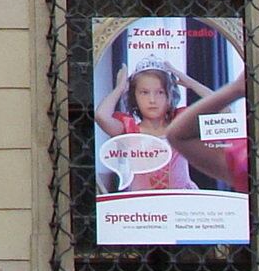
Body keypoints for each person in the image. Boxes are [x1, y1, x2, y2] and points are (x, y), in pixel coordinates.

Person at [96, 59, 248, 192]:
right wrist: (120, 89)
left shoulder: (181, 127)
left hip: (181, 201)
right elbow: (101, 116)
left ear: (170, 95)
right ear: (134, 96)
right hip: (144, 208)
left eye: (160, 92)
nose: (152, 100)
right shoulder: (129, 130)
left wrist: (191, 83)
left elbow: (224, 111)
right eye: (144, 93)